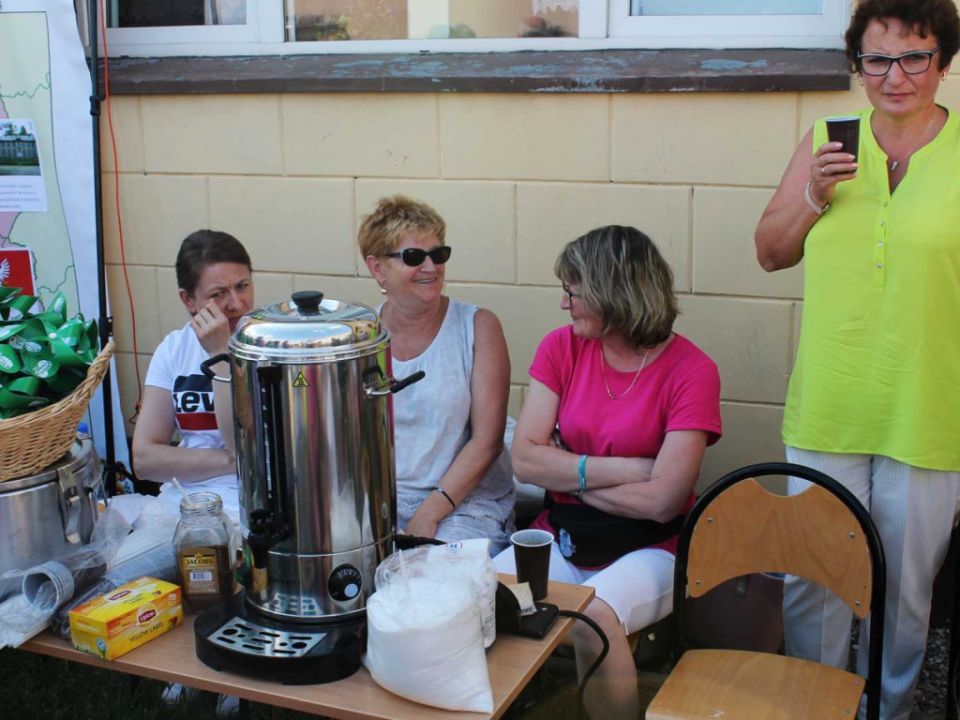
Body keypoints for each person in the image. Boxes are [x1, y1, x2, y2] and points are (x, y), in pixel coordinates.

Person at [754, 1, 960, 717]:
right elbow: (769, 252)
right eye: (877, 58)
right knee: (815, 577)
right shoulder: (825, 140)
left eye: (915, 56)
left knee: (904, 592)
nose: (895, 76)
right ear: (857, 64)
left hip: (927, 411)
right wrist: (816, 194)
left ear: (943, 62)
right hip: (830, 404)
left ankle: (887, 711)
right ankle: (815, 707)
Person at [494, 225, 721, 720]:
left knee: (593, 616)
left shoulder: (691, 370)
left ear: (612, 295)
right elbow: (525, 460)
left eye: (573, 292)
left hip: (655, 545)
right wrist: (629, 470)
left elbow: (662, 501)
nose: (564, 303)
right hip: (565, 535)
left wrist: (568, 475)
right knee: (485, 597)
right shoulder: (561, 348)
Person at [130, 229, 253, 717]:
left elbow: (241, 438)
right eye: (218, 294)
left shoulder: (265, 342)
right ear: (188, 300)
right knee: (136, 564)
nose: (235, 303)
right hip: (187, 495)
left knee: (226, 551)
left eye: (243, 286)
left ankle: (232, 663)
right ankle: (186, 661)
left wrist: (222, 355)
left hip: (253, 497)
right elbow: (146, 457)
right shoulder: (173, 350)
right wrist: (226, 461)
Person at [359, 195, 515, 554]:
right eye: (414, 257)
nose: (431, 266)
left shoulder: (478, 326)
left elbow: (487, 441)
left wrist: (429, 514)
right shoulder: (362, 335)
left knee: (432, 576)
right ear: (378, 268)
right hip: (381, 500)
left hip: (462, 502)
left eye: (438, 254)